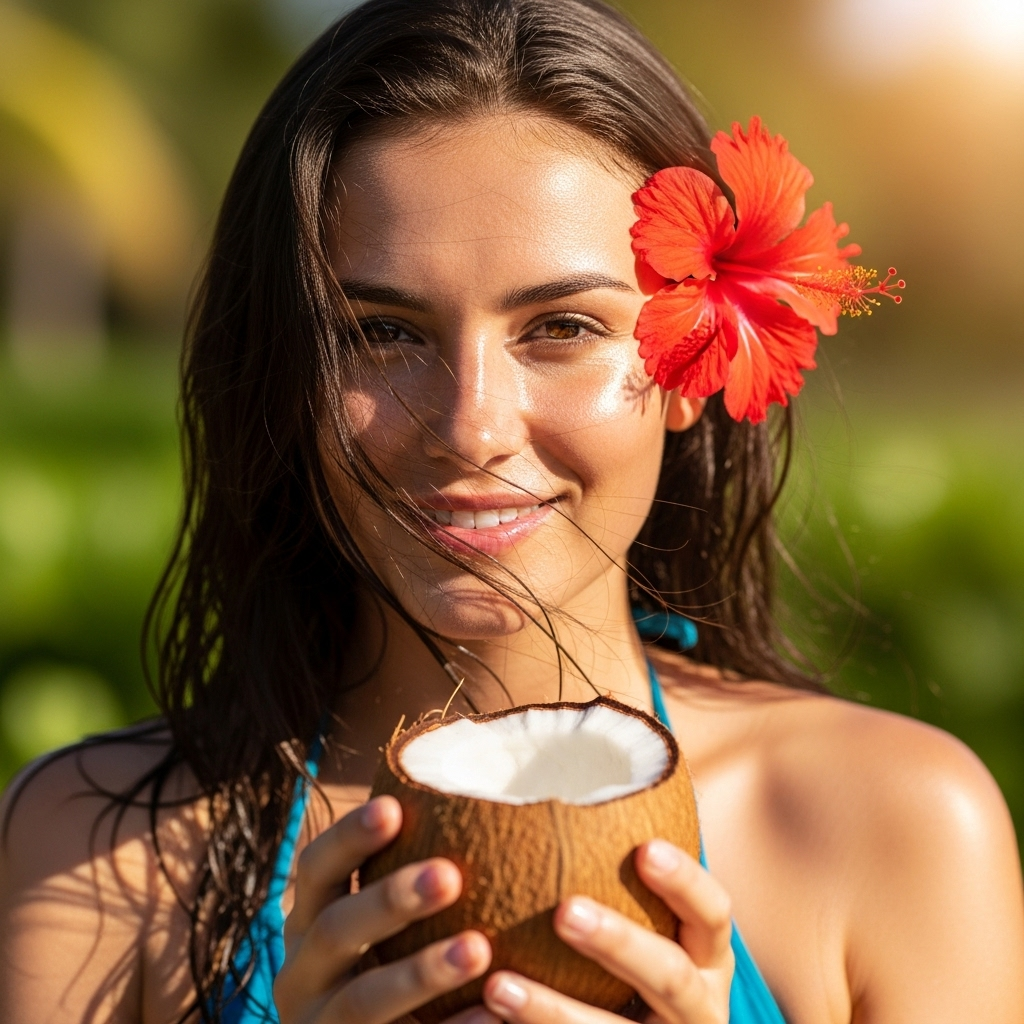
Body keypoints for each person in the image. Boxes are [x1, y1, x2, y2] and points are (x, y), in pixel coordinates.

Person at [2, 1, 1022, 1022]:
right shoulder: (91, 853)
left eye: (562, 326)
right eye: (382, 333)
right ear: (286, 376)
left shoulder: (896, 827)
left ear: (690, 364)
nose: (471, 425)